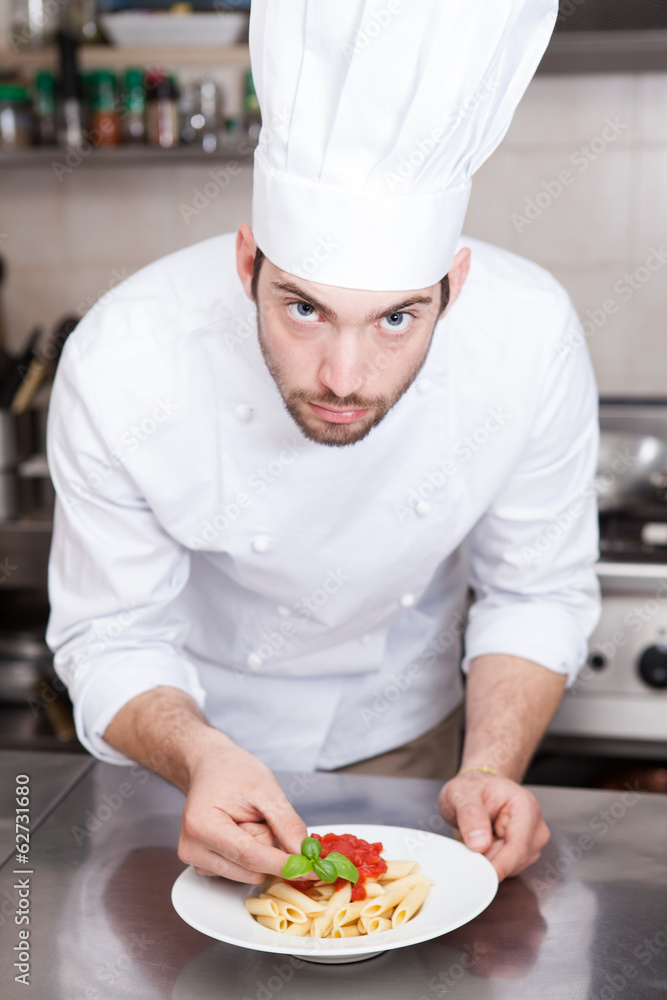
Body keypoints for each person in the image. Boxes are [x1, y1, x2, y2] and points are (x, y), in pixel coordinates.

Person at [46, 0, 600, 886]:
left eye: (395, 319)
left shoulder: (528, 339)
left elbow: (534, 592)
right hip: (179, 755)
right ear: (246, 263)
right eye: (303, 308)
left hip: (406, 744)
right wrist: (199, 760)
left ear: (451, 289)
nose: (343, 375)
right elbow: (111, 634)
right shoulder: (124, 359)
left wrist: (488, 770)